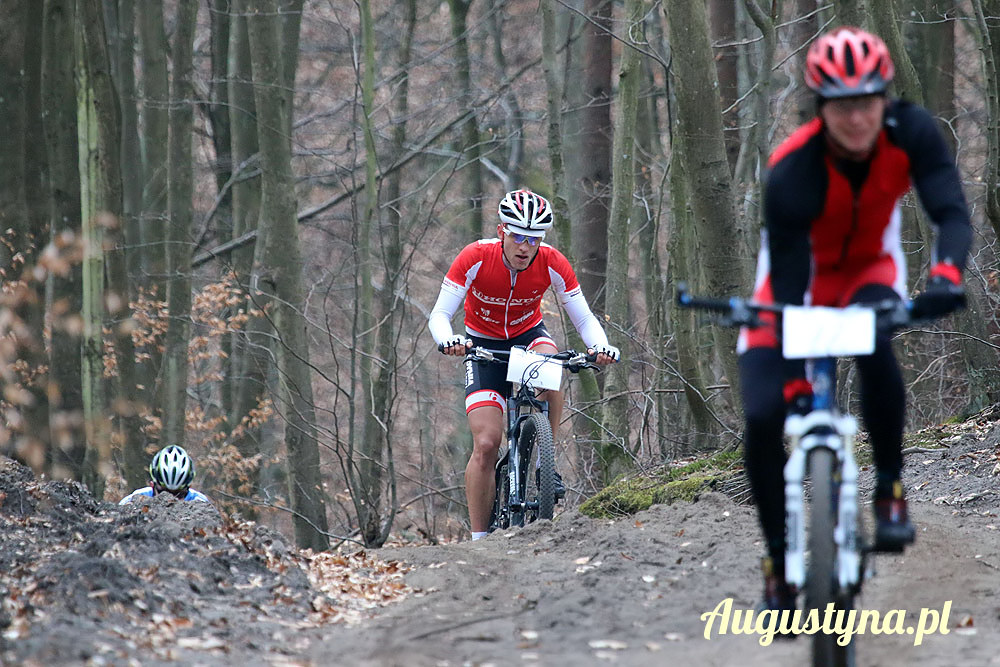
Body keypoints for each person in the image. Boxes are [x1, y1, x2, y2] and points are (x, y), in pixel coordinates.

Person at [739, 27, 971, 611]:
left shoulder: (912, 132)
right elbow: (790, 283)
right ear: (822, 107)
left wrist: (945, 275)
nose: (857, 117)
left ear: (884, 98)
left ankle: (890, 488)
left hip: (870, 269)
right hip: (794, 284)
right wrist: (794, 372)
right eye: (843, 106)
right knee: (764, 414)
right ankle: (775, 556)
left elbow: (950, 209)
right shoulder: (791, 168)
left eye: (867, 102)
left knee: (874, 345)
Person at [429, 188, 620, 540]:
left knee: (552, 363)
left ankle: (545, 464)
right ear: (502, 231)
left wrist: (600, 346)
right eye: (517, 235)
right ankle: (479, 537)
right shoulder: (475, 256)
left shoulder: (552, 262)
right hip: (482, 344)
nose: (524, 246)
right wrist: (449, 340)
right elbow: (440, 314)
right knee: (487, 443)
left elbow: (583, 318)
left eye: (533, 239)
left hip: (528, 335)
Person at [119, 445, 211, 504]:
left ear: (189, 487)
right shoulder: (135, 499)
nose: (171, 500)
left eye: (178, 495)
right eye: (164, 493)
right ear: (152, 485)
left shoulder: (201, 502)